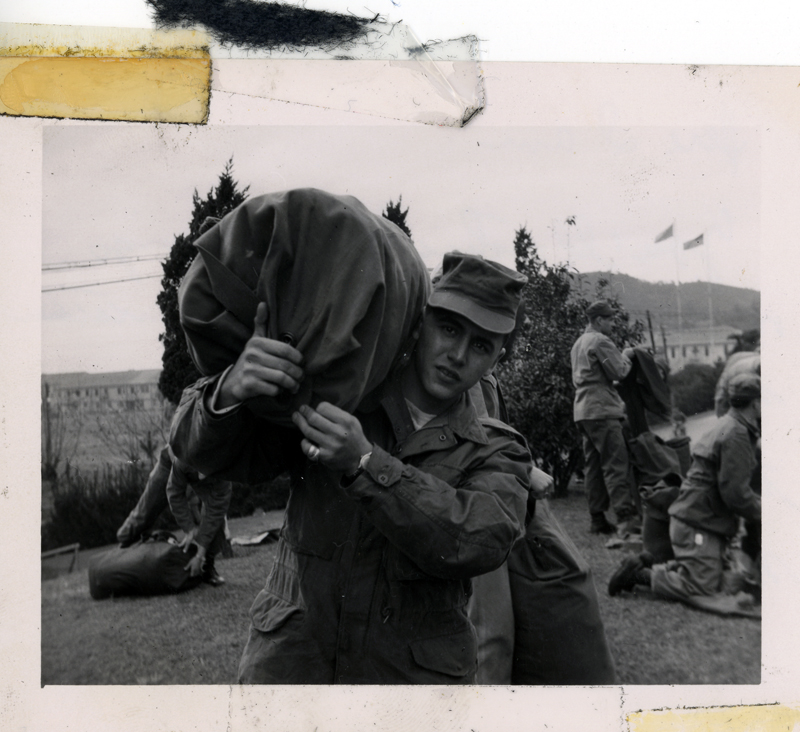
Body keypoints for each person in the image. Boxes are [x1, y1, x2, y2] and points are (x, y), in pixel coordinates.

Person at [170, 252, 532, 684]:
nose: (457, 355)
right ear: (420, 323)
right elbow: (200, 453)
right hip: (294, 670)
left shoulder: (498, 450)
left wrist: (365, 463)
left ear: (497, 360)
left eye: (481, 345)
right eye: (449, 329)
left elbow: (477, 540)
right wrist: (231, 389)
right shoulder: (337, 395)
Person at [608, 373, 762, 606]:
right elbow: (735, 494)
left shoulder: (729, 424)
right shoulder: (737, 433)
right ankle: (640, 575)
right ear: (756, 403)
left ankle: (653, 564)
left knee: (726, 581)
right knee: (702, 588)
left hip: (697, 520)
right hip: (698, 524)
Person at [570, 299, 638, 534]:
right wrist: (626, 354)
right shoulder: (600, 340)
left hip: (583, 410)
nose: (612, 324)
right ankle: (626, 518)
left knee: (594, 467)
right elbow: (619, 371)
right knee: (616, 463)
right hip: (602, 409)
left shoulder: (578, 343)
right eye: (609, 320)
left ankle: (597, 519)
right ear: (599, 320)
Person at [165, 451, 233, 587]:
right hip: (173, 468)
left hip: (210, 483)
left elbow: (214, 515)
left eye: (206, 472)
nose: (201, 476)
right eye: (200, 470)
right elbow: (174, 494)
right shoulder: (181, 460)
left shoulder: (224, 475)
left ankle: (208, 567)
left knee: (216, 522)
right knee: (144, 512)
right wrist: (188, 528)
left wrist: (200, 555)